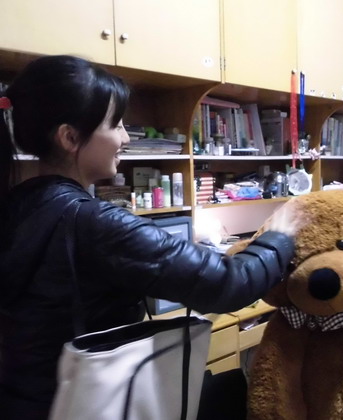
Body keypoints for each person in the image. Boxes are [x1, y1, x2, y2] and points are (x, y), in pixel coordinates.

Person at [0, 55, 298, 420]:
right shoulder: (94, 222)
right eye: (116, 124)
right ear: (70, 137)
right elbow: (229, 283)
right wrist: (281, 233)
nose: (126, 138)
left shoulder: (18, 205)